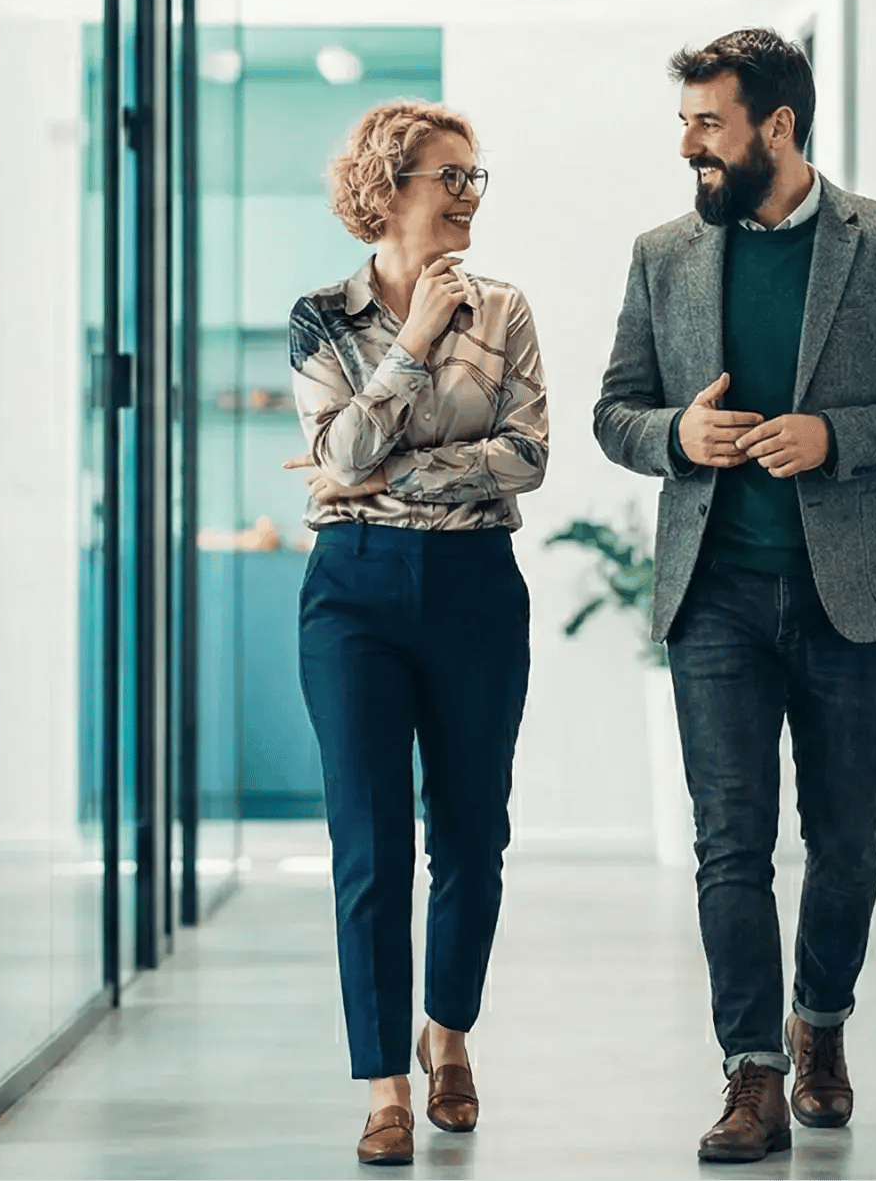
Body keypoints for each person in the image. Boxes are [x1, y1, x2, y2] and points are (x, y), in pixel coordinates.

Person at [592, 28, 876, 1164]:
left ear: (777, 127)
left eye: (706, 125)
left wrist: (833, 437)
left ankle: (822, 1027)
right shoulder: (662, 253)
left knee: (847, 840)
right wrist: (678, 434)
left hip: (847, 595)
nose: (688, 148)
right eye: (683, 125)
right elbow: (617, 412)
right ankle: (751, 1071)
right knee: (729, 846)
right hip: (713, 594)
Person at [285, 99, 547, 1167]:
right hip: (351, 595)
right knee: (370, 846)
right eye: (453, 176)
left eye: (477, 175)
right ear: (390, 187)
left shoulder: (510, 308)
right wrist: (416, 344)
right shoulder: (319, 316)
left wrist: (384, 473)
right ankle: (384, 1084)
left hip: (478, 587)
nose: (470, 194)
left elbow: (525, 455)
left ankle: (449, 1034)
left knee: (473, 838)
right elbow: (339, 448)